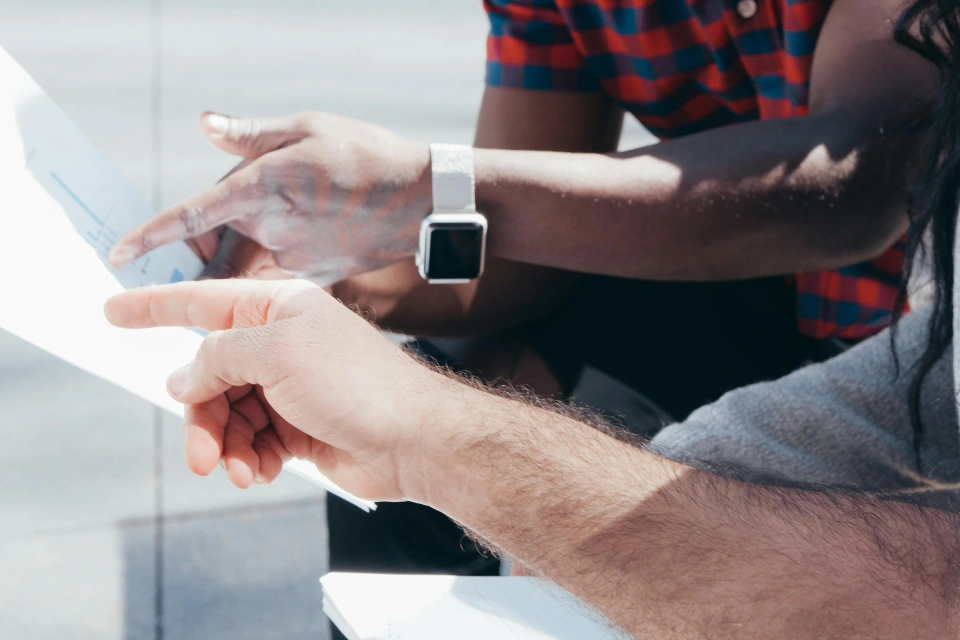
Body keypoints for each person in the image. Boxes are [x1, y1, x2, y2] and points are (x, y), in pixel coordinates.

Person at [102, 0, 960, 633]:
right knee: (388, 418)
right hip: (718, 278)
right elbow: (518, 255)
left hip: (910, 331)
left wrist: (432, 184)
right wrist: (318, 284)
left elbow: (858, 186)